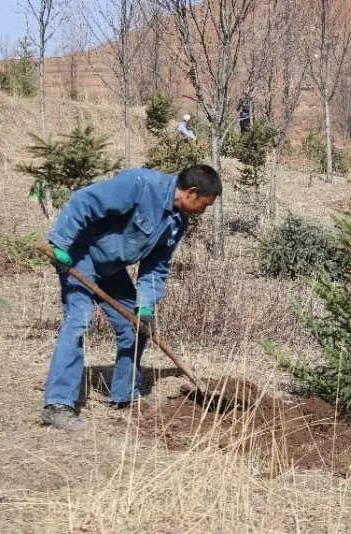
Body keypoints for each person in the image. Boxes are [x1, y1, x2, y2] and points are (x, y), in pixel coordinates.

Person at [41, 165, 221, 430]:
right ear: (192, 192)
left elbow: (155, 266)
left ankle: (125, 396)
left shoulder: (176, 223)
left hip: (111, 268)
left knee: (136, 327)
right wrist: (60, 243)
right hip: (80, 256)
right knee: (78, 321)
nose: (203, 212)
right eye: (204, 205)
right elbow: (85, 200)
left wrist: (145, 307)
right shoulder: (140, 185)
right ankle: (57, 405)